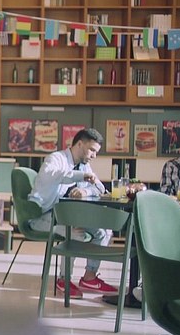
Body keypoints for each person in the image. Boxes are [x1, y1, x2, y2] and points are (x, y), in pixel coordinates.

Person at [27, 128, 117, 299]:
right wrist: (81, 176)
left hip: (66, 216)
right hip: (42, 216)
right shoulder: (55, 159)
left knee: (104, 231)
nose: (94, 156)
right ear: (80, 144)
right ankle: (63, 279)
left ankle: (89, 277)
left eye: (96, 152)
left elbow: (100, 188)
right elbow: (54, 175)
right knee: (75, 233)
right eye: (92, 150)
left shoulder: (84, 165)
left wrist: (85, 191)